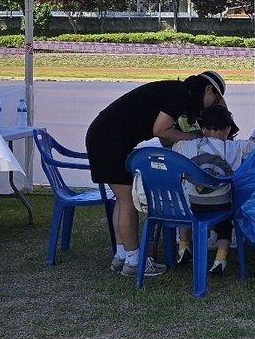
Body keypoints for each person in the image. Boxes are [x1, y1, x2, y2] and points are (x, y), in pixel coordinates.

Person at [86, 71, 226, 278]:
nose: (211, 105)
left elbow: (162, 133)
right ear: (207, 89)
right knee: (127, 202)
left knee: (121, 200)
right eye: (215, 98)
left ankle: (122, 255)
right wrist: (193, 136)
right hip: (110, 141)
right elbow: (161, 130)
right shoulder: (180, 95)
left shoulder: (175, 91)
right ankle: (134, 262)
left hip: (101, 136)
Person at [171, 104, 255, 276]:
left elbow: (174, 151)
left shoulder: (185, 146)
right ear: (228, 129)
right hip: (221, 204)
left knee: (185, 206)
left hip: (193, 205)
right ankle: (220, 258)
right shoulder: (235, 147)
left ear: (202, 128)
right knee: (225, 223)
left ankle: (184, 245)